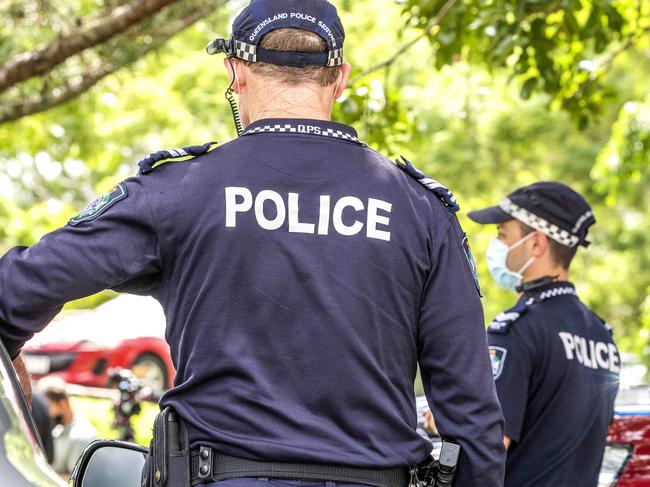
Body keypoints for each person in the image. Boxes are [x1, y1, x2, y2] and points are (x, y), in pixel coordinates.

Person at [0, 0, 505, 485]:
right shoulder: (420, 212)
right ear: (341, 79)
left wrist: (19, 406)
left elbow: (12, 293)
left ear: (235, 73)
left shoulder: (178, 192)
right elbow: (472, 416)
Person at [468, 182, 620, 487]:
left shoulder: (516, 331)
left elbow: (488, 447)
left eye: (502, 235)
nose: (496, 246)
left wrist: (448, 422)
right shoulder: (603, 336)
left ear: (537, 244)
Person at [37, 377, 98, 478]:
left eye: (47, 406)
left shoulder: (82, 434)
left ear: (63, 403)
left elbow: (74, 479)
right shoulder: (58, 428)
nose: (45, 412)